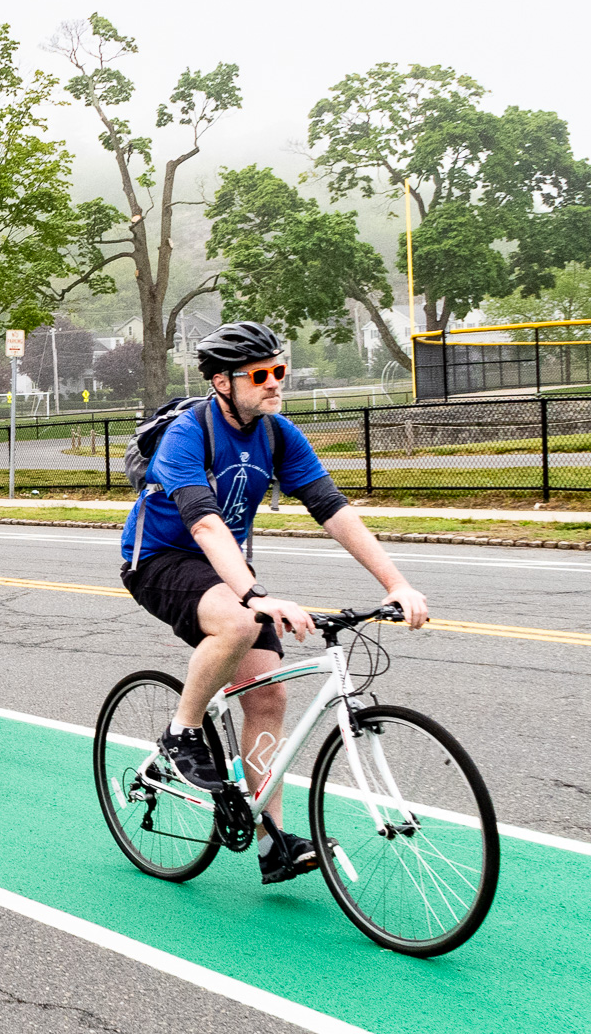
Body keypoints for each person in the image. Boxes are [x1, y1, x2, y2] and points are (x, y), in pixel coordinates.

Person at [119, 321, 429, 887]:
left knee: (269, 698)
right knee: (238, 621)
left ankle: (273, 844)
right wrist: (256, 596)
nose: (274, 383)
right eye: (260, 375)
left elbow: (331, 507)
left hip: (224, 571)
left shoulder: (278, 434)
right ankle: (182, 731)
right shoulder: (188, 435)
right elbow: (206, 524)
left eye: (279, 370)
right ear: (220, 382)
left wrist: (397, 582)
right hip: (160, 559)